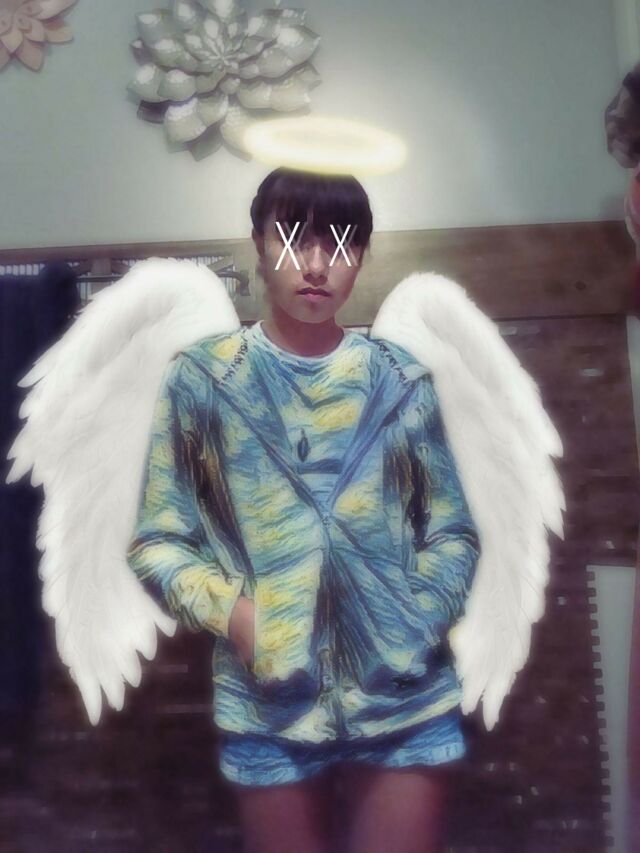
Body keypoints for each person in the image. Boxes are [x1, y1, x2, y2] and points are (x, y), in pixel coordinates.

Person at [126, 167, 481, 853]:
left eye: (341, 244)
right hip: (270, 707)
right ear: (259, 245)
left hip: (406, 701)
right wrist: (237, 616)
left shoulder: (400, 379)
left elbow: (452, 532)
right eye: (293, 239)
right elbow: (158, 539)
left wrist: (415, 617)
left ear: (362, 255)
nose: (317, 265)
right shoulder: (205, 379)